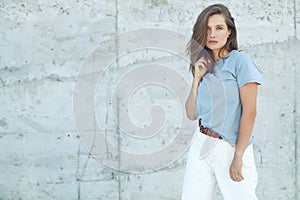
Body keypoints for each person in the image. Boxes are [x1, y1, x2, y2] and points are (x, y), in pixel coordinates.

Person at [182, 4, 262, 200]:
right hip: (201, 143)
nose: (212, 34)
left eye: (218, 28)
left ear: (229, 32)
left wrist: (238, 156)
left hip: (229, 147)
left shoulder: (240, 62)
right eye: (207, 29)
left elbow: (250, 112)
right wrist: (196, 80)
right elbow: (192, 114)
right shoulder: (204, 65)